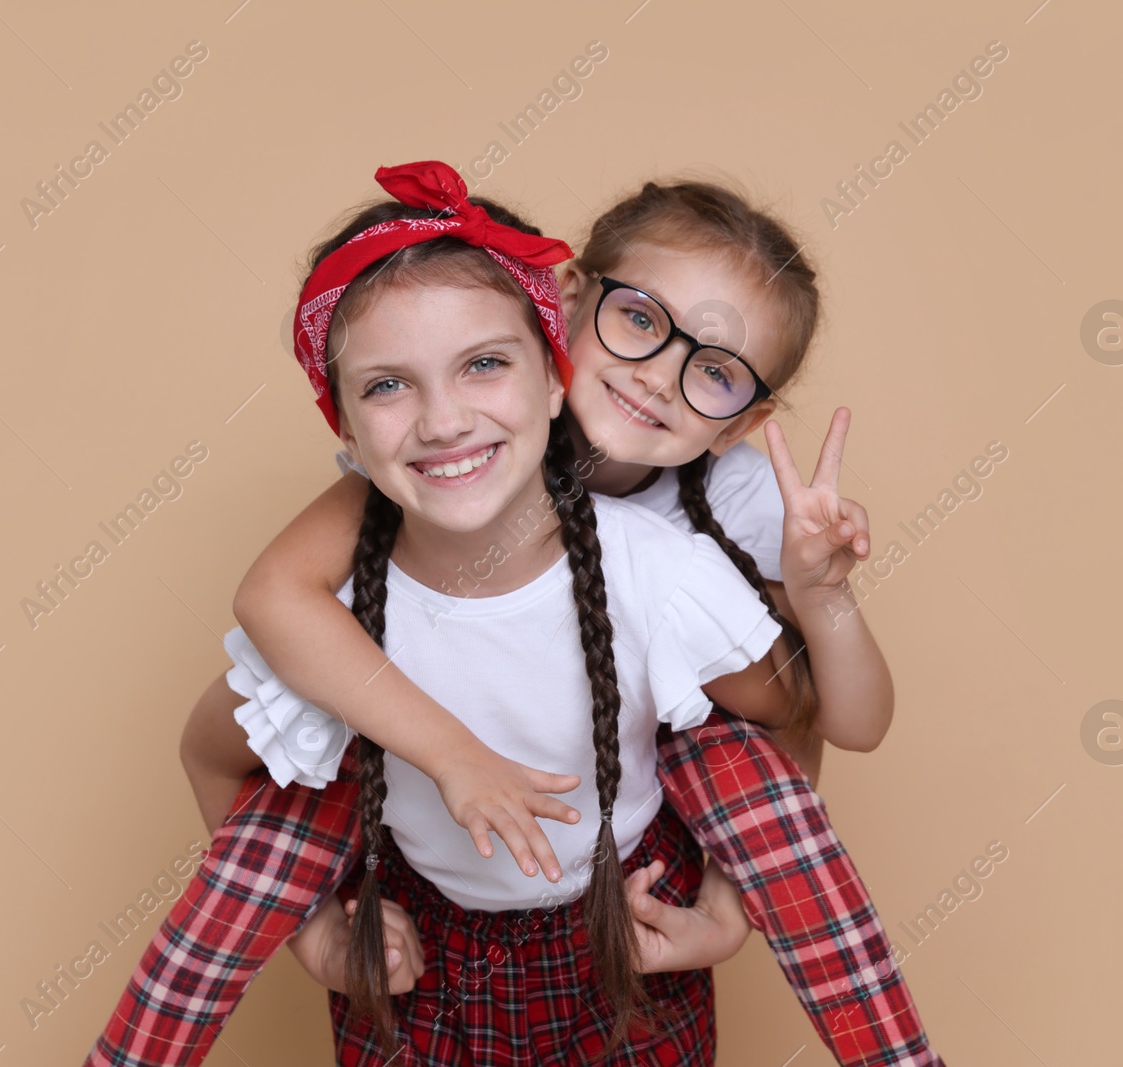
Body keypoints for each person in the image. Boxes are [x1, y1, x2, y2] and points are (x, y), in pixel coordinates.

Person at [84, 163, 943, 1066]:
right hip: (429, 942)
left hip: (622, 908)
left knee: (733, 750)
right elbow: (263, 615)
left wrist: (819, 597)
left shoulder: (695, 543)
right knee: (314, 727)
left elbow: (811, 719)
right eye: (641, 321)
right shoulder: (416, 491)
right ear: (565, 313)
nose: (655, 377)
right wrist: (335, 916)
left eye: (715, 372)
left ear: (740, 418)